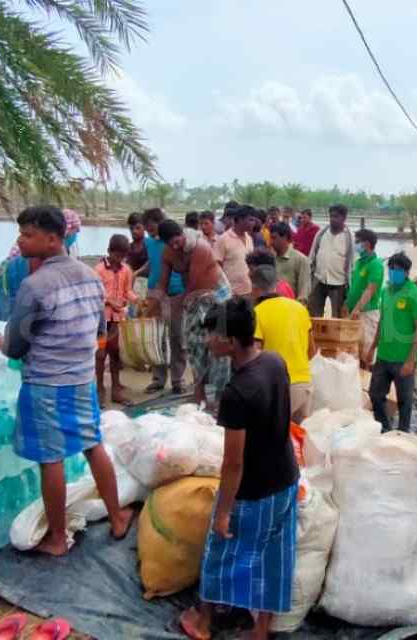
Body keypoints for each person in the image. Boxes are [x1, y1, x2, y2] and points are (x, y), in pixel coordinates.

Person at [2, 206, 133, 556]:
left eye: (27, 234)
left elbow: (14, 345)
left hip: (45, 383)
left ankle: (58, 538)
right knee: (93, 445)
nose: (21, 240)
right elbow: (100, 329)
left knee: (51, 458)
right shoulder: (91, 277)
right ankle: (118, 516)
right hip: (81, 378)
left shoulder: (34, 285)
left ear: (52, 239)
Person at [179, 298, 299, 640]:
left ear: (231, 342)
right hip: (286, 479)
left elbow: (233, 463)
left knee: (220, 553)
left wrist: (224, 512)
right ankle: (260, 630)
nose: (207, 341)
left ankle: (204, 622)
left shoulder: (237, 393)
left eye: (213, 336)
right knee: (274, 559)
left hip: (255, 490)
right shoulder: (274, 362)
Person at [158, 219, 233, 408]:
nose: (176, 246)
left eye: (178, 241)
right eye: (171, 243)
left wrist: (175, 305)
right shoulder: (168, 252)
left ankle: (219, 398)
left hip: (216, 295)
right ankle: (199, 394)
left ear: (182, 234)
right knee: (194, 345)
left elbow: (193, 285)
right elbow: (162, 283)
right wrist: (156, 303)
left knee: (218, 345)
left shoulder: (200, 247)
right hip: (193, 298)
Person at [366, 252, 417, 433]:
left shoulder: (414, 295)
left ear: (406, 272)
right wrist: (372, 348)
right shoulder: (386, 291)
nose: (393, 272)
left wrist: (410, 360)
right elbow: (382, 321)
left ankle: (404, 434)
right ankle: (385, 428)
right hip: (384, 355)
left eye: (397, 270)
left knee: (404, 401)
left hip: (403, 359)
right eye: (390, 268)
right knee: (375, 395)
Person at [251, 266, 315, 423]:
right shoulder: (300, 308)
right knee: (300, 441)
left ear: (255, 288)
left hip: (279, 388)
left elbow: (255, 354)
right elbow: (312, 350)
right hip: (305, 384)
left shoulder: (258, 312)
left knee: (271, 441)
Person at [143, 208, 187, 395]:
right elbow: (152, 264)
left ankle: (178, 379)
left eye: (151, 228)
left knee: (178, 338)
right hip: (155, 293)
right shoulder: (149, 243)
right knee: (156, 338)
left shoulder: (175, 242)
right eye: (147, 229)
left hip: (176, 293)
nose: (149, 232)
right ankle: (158, 379)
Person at [94, 234, 138, 407]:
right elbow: (95, 294)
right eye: (117, 255)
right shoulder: (98, 270)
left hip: (117, 318)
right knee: (100, 354)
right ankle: (99, 390)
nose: (120, 259)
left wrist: (136, 300)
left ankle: (116, 392)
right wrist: (109, 301)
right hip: (101, 320)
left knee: (115, 354)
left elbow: (127, 291)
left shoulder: (126, 270)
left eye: (123, 256)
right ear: (109, 252)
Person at [343, 229, 383, 366]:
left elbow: (370, 289)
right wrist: (347, 304)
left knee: (367, 352)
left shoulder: (376, 264)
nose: (356, 244)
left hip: (367, 312)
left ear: (367, 243)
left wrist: (357, 308)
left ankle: (369, 379)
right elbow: (354, 286)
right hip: (354, 310)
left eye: (358, 241)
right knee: (353, 350)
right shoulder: (360, 263)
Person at [307, 204, 353, 317]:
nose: (332, 219)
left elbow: (353, 264)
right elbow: (312, 255)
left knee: (338, 318)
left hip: (339, 283)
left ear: (344, 218)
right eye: (331, 216)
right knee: (313, 315)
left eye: (336, 216)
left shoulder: (350, 237)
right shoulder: (321, 233)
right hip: (319, 280)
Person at [214, 206, 254, 297]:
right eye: (251, 220)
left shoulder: (249, 239)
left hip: (249, 291)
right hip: (231, 295)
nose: (253, 223)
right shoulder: (223, 239)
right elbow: (216, 267)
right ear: (240, 220)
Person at [269, 222, 311, 303]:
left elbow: (303, 292)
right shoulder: (270, 258)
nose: (271, 242)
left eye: (274, 238)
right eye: (271, 238)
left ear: (284, 238)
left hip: (291, 307)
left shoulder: (301, 260)